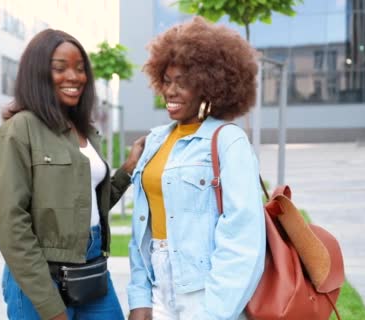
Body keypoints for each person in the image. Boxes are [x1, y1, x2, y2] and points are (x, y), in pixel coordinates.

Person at [0, 29, 144, 320]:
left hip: (92, 269)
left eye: (80, 68)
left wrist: (127, 169)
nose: (74, 77)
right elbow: (10, 225)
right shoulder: (19, 130)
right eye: (60, 68)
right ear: (38, 73)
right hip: (39, 278)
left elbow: (82, 205)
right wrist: (50, 306)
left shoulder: (84, 130)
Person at [127, 17, 266, 320]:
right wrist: (139, 296)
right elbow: (142, 228)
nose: (171, 91)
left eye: (184, 82)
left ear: (208, 86)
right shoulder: (155, 141)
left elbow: (243, 236)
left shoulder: (227, 141)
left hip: (205, 290)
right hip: (158, 285)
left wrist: (216, 310)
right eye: (166, 80)